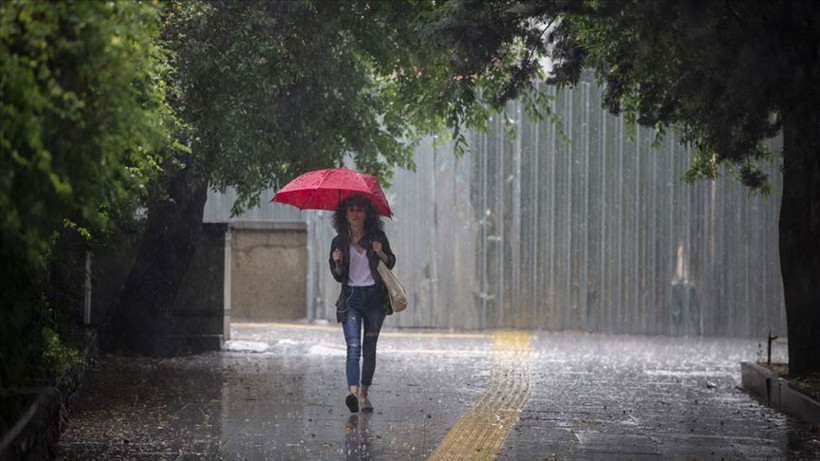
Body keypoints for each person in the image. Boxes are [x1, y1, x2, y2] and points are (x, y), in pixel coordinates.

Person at [329, 194, 396, 413]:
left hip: (375, 298)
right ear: (345, 214)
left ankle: (365, 393)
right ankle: (353, 393)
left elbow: (391, 262)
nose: (355, 213)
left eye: (359, 209)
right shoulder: (338, 242)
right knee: (353, 347)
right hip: (351, 299)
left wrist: (381, 253)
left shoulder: (376, 236)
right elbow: (338, 275)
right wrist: (338, 262)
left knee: (369, 349)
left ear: (367, 213)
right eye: (351, 210)